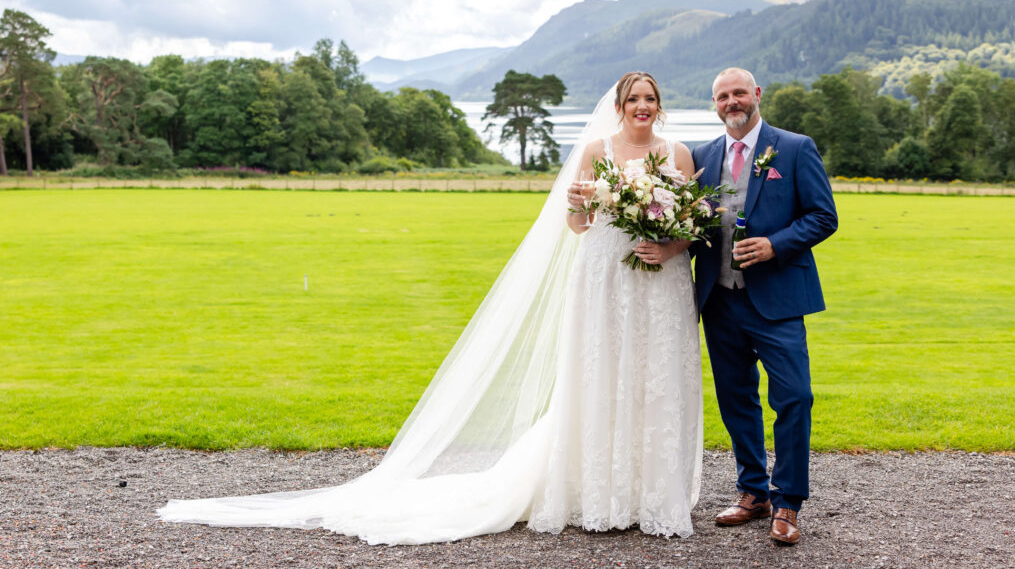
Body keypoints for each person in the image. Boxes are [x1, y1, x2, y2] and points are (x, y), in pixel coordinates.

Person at [158, 72, 704, 544]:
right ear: (619, 106)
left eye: (650, 98)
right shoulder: (595, 152)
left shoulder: (677, 155)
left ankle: (651, 496)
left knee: (654, 380)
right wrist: (578, 207)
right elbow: (578, 228)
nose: (642, 106)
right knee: (601, 378)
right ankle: (602, 493)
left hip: (659, 282)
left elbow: (692, 226)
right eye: (634, 98)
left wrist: (668, 246)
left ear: (660, 105)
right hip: (605, 277)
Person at [690, 67, 838, 545]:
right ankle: (753, 491)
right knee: (736, 400)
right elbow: (691, 227)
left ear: (756, 94)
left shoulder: (794, 148)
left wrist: (776, 244)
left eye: (738, 93)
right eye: (721, 96)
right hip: (720, 300)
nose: (731, 102)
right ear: (714, 104)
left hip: (777, 300)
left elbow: (823, 216)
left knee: (795, 396)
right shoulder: (702, 155)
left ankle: (788, 501)